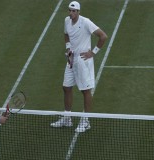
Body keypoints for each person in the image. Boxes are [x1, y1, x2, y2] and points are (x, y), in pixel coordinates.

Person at [50, 1, 107, 133]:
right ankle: (67, 118)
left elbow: (103, 36)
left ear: (78, 12)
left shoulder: (86, 22)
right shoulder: (66, 21)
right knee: (66, 87)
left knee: (85, 91)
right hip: (71, 59)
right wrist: (68, 48)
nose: (71, 13)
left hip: (82, 61)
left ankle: (86, 120)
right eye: (69, 10)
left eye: (74, 11)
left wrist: (93, 53)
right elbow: (66, 35)